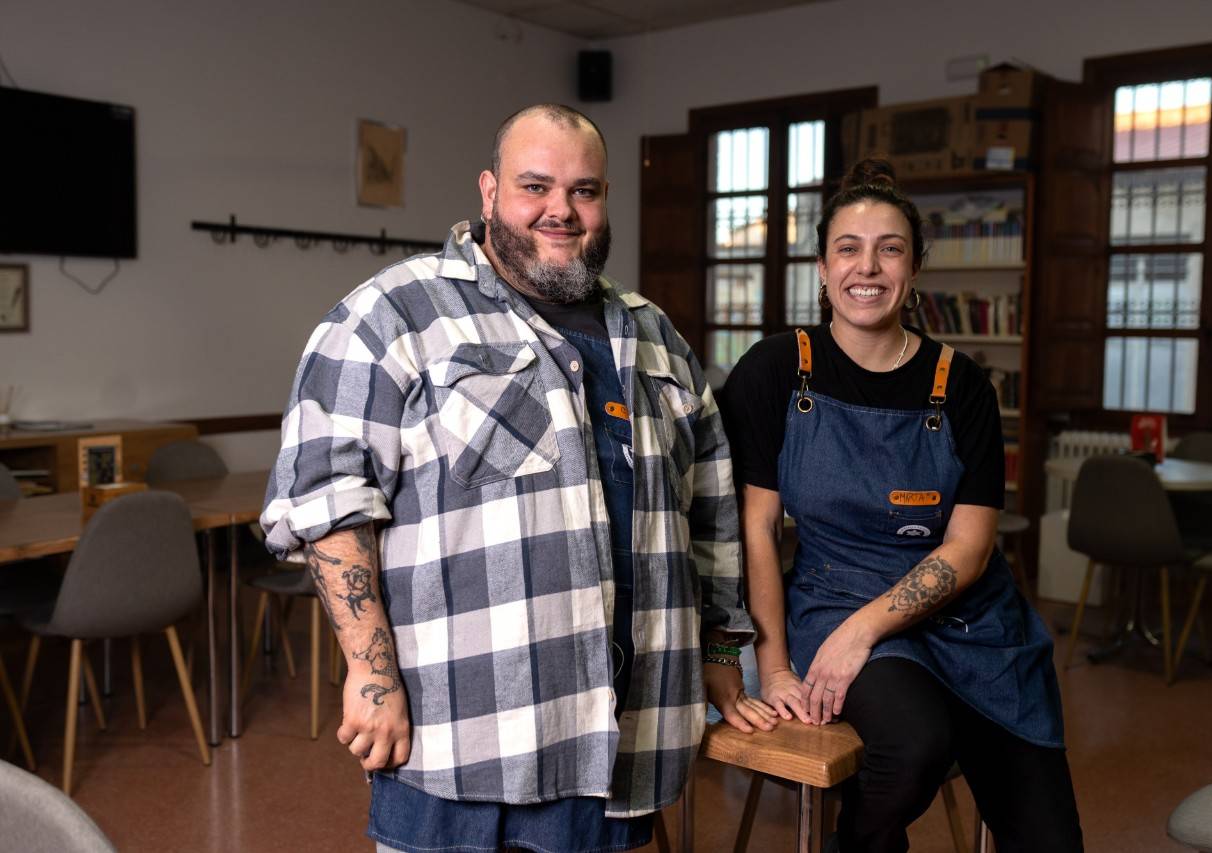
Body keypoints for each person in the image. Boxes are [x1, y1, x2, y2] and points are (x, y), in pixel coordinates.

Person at [260, 104, 768, 853]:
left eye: (585, 190)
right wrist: (371, 674)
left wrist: (723, 655)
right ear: (490, 192)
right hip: (460, 748)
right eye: (536, 186)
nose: (561, 210)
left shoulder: (657, 337)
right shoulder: (390, 316)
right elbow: (328, 502)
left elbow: (714, 512)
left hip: (623, 752)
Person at [718, 159, 1084, 853]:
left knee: (1051, 839)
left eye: (890, 249)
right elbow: (757, 528)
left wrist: (862, 631)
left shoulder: (964, 384)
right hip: (832, 594)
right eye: (848, 248)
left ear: (914, 271)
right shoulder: (775, 369)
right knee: (913, 747)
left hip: (974, 622)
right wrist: (775, 666)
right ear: (822, 268)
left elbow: (970, 548)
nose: (869, 267)